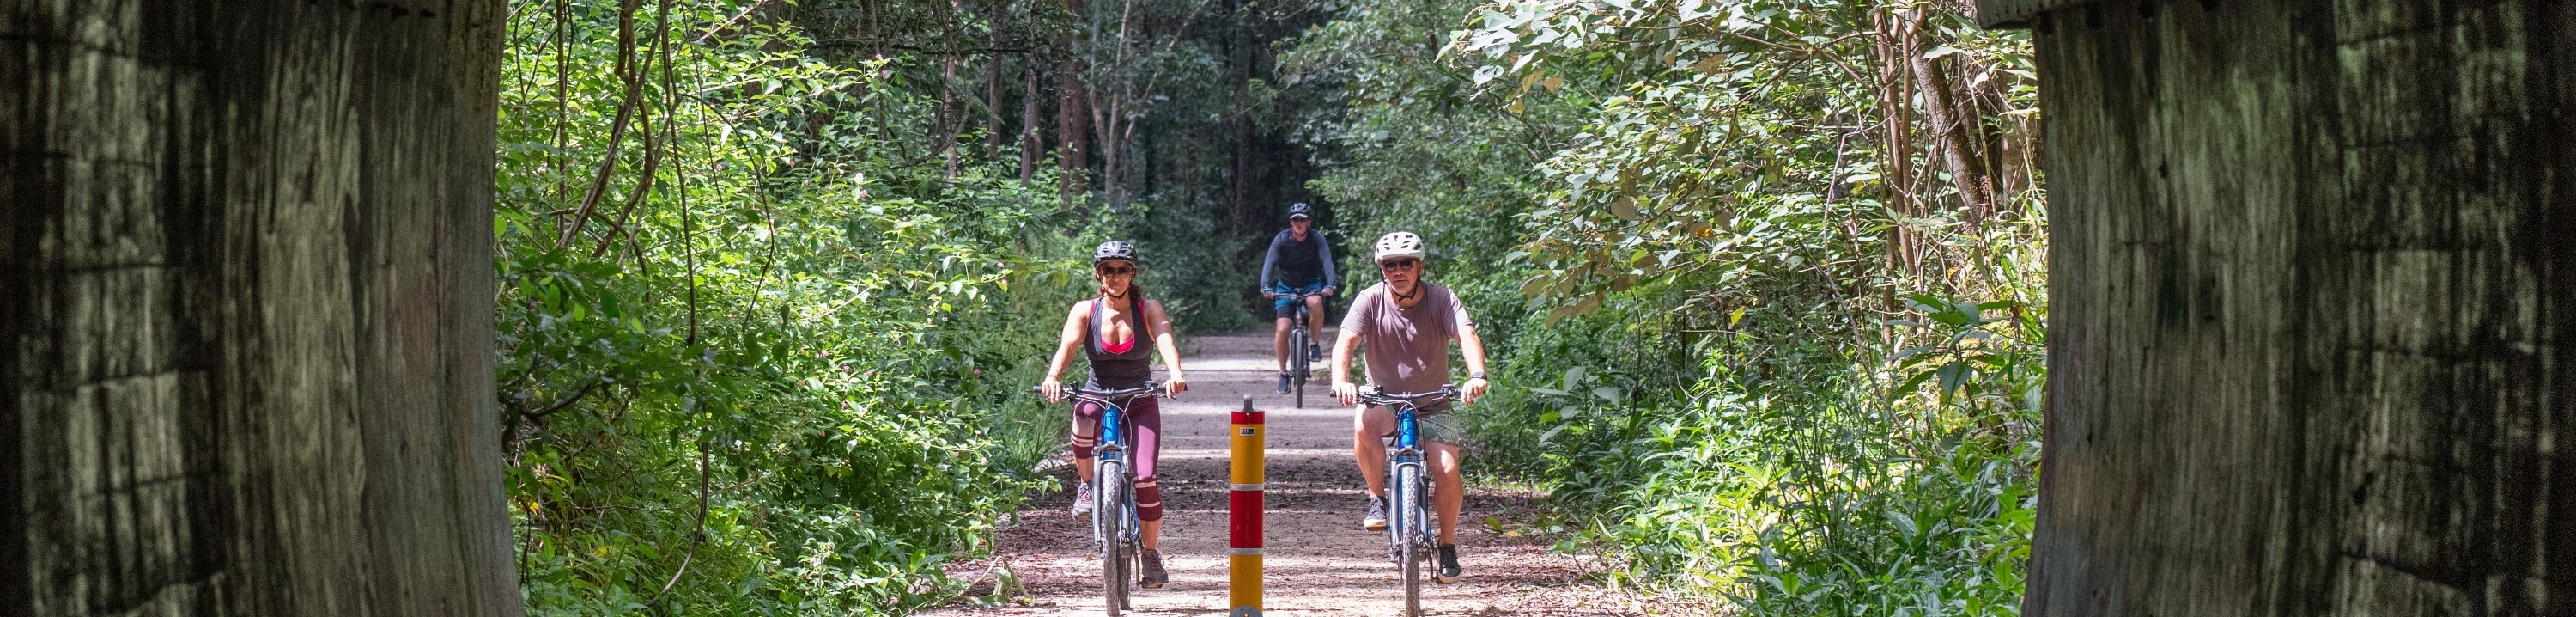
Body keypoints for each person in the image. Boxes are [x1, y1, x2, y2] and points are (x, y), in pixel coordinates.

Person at [1329, 231, 1491, 585]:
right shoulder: (1370, 300)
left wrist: (1476, 374)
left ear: (1419, 267)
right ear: (1381, 269)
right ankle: (1378, 500)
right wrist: (1341, 380)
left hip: (1434, 402)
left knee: (1447, 469)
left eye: (1405, 263)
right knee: (1363, 425)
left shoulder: (1442, 298)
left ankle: (1447, 545)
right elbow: (1346, 341)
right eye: (1390, 265)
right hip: (1385, 400)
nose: (1397, 270)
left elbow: (1466, 334)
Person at [1040, 241, 1190, 589]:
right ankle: (1086, 486)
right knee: (1083, 416)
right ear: (1098, 274)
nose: (1116, 276)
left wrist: (1175, 373)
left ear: (1132, 274)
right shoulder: (1085, 310)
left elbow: (1165, 338)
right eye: (1108, 270)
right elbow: (1069, 344)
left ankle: (1150, 555)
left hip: (1139, 397)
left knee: (1146, 477)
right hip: (1099, 392)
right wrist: (1053, 378)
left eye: (1122, 270)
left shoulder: (1146, 308)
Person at [1260, 203, 1339, 394]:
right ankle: (1283, 374)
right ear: (1291, 222)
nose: (1299, 223)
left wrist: (1330, 284)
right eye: (1296, 220)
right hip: (1285, 287)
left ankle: (1314, 345)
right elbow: (1269, 262)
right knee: (1283, 328)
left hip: (1310, 285)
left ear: (1309, 222)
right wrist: (1265, 286)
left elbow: (1327, 261)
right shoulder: (1282, 239)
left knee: (1315, 302)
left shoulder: (1317, 239)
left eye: (1302, 219)